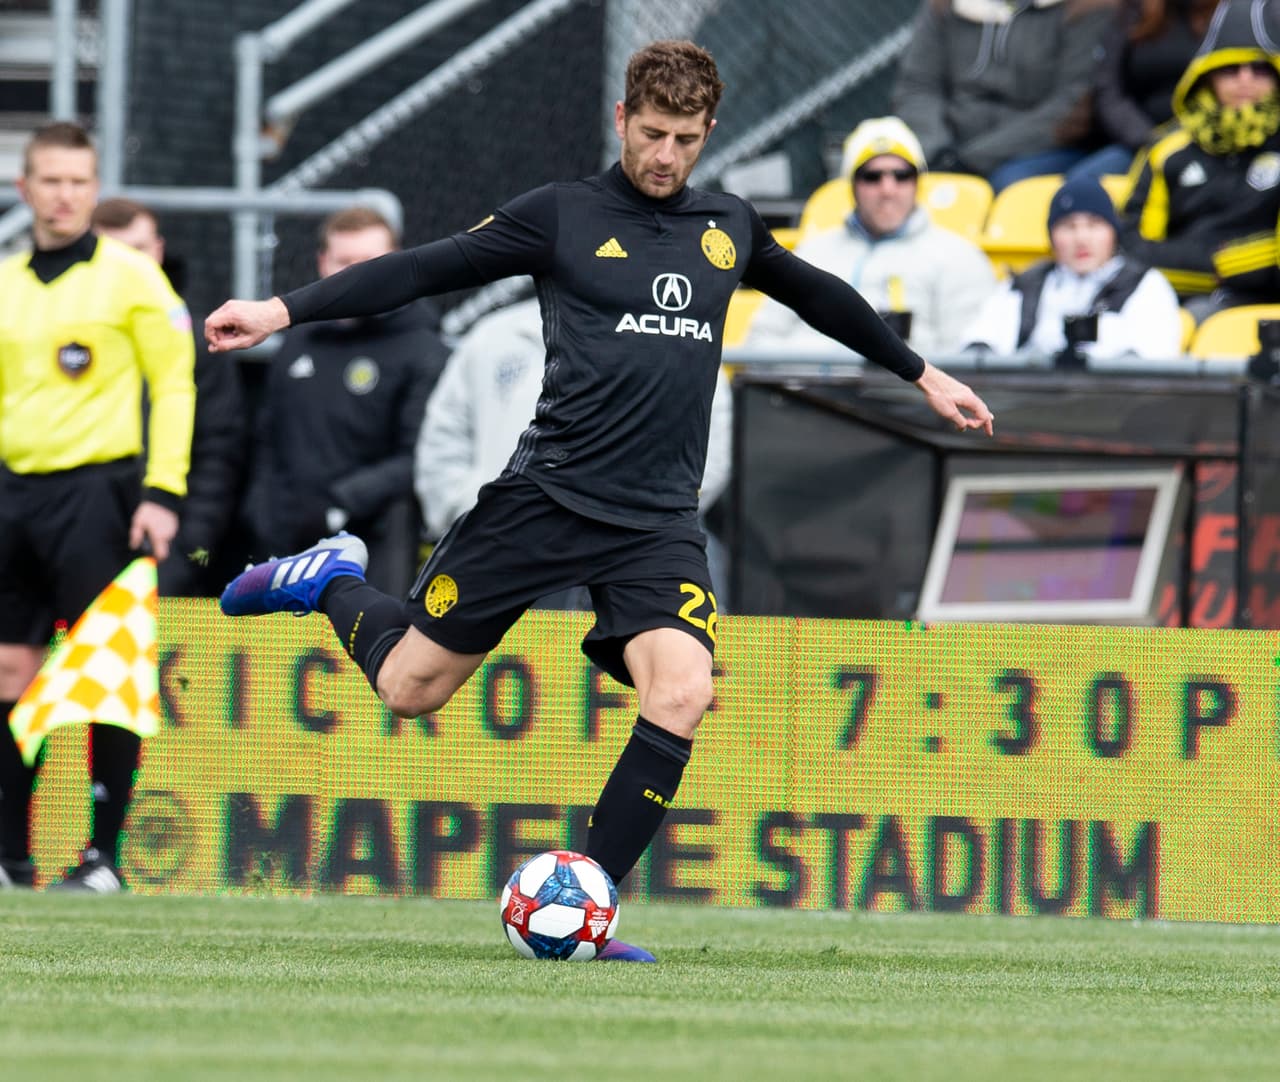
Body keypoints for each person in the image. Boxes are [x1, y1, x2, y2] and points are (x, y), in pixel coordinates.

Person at [205, 40, 993, 960]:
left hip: (656, 520)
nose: (666, 156)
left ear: (707, 135)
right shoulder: (561, 216)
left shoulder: (727, 226)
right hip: (547, 497)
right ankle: (335, 577)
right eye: (652, 134)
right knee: (409, 689)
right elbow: (421, 268)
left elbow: (819, 295)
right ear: (622, 120)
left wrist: (922, 371)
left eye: (686, 140)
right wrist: (280, 309)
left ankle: (592, 905)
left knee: (684, 691)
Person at [0, 123, 196, 891]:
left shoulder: (134, 278)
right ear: (26, 188)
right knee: (11, 668)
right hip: (13, 491)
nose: (65, 194)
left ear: (94, 185)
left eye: (79, 180)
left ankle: (101, 857)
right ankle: (11, 857)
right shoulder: (8, 281)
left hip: (99, 492)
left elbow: (174, 386)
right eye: (51, 180)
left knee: (106, 672)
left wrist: (163, 492)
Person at [414, 295, 735, 606]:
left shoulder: (679, 335)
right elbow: (443, 441)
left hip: (643, 547)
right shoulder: (493, 336)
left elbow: (710, 447)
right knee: (506, 658)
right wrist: (475, 510)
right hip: (504, 544)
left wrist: (643, 515)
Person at [246, 207, 451, 596]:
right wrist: (262, 510)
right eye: (346, 263)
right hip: (283, 540)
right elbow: (267, 436)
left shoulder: (423, 349)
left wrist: (338, 505)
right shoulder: (298, 340)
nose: (359, 277)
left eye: (372, 264)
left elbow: (421, 456)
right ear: (323, 263)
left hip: (373, 549)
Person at [92, 197, 247, 598]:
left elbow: (218, 454)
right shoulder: (59, 336)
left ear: (158, 249)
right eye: (116, 252)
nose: (130, 265)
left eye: (139, 249)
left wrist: (189, 550)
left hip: (172, 546)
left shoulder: (198, 342)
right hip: (78, 538)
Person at [744, 116, 996, 358]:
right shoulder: (811, 252)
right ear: (852, 186)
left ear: (918, 182)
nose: (888, 189)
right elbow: (758, 344)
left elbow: (964, 364)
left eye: (902, 175)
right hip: (799, 395)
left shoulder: (960, 257)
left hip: (898, 399)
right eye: (872, 177)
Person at [1120, 0, 1280, 312]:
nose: (1245, 79)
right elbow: (1131, 247)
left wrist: (1226, 265)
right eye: (1230, 69)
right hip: (1166, 298)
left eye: (1260, 68)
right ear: (1207, 75)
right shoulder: (1167, 147)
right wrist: (1218, 268)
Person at [891, 0, 1117, 193]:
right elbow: (917, 86)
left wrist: (971, 160)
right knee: (881, 176)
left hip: (1036, 149)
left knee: (1008, 186)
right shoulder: (944, 6)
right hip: (944, 146)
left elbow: (1073, 105)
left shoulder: (1089, 7)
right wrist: (936, 148)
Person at [960, 174, 1182, 361]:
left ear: (1114, 232)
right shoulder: (1025, 284)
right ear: (1051, 236)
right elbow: (979, 347)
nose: (1082, 238)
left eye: (1094, 225)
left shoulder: (1146, 285)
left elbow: (1152, 366)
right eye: (1068, 227)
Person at [1069, 0, 1219, 181]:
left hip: (1203, 141)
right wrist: (1148, 138)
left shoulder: (1229, 13)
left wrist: (1182, 138)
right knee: (1079, 185)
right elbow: (1109, 89)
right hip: (1139, 141)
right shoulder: (1134, 11)